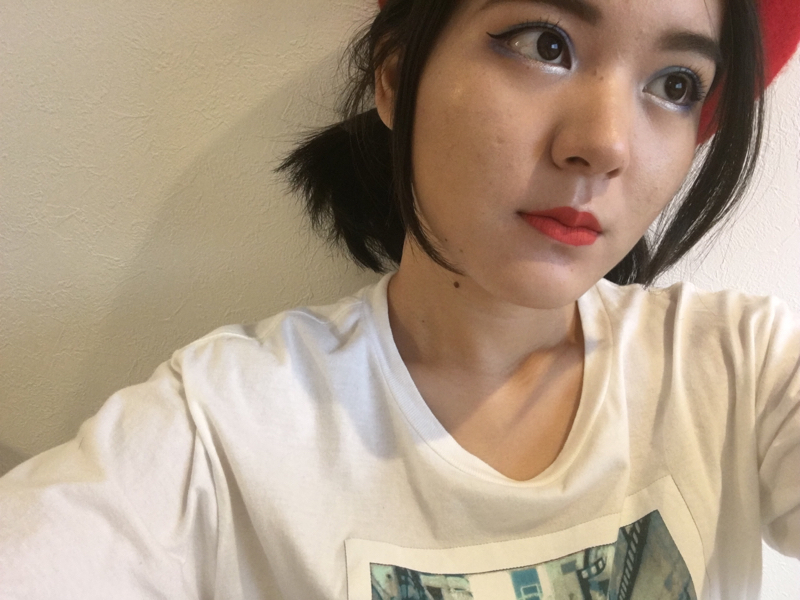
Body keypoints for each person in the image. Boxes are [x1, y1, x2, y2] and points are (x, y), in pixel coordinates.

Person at [1, 0, 799, 598]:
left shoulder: (738, 369)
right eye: (544, 43)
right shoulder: (224, 432)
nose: (606, 142)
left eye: (676, 84)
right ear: (393, 76)